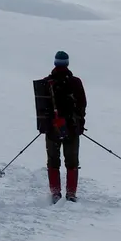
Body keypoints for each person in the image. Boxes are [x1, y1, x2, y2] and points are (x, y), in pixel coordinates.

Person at [40, 50, 87, 203]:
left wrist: (44, 126)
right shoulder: (76, 82)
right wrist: (80, 124)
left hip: (52, 129)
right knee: (72, 162)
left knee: (53, 161)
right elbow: (82, 105)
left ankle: (55, 192)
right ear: (67, 63)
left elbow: (41, 107)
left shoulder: (46, 82)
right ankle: (71, 194)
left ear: (55, 63)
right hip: (72, 128)